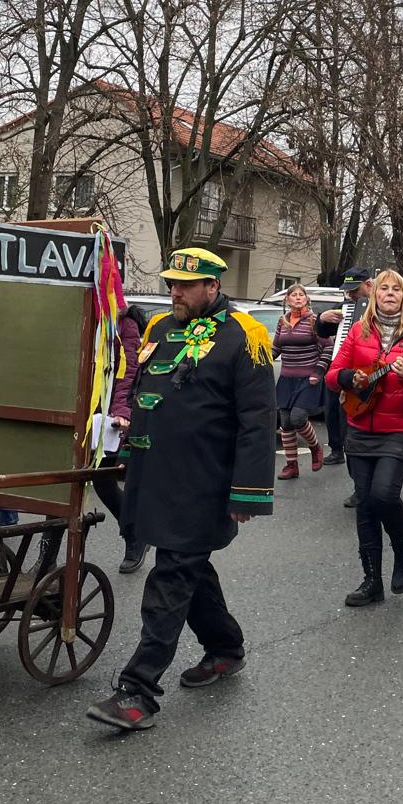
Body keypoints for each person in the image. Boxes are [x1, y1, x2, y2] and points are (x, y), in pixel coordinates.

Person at [86, 248, 275, 732]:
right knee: (188, 568)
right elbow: (149, 392)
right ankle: (226, 647)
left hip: (203, 483)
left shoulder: (245, 337)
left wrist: (247, 493)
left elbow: (256, 422)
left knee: (171, 576)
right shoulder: (159, 330)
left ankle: (137, 691)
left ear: (213, 287)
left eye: (186, 286)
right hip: (154, 475)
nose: (175, 292)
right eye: (172, 283)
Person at [327, 270, 403, 606]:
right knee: (365, 506)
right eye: (383, 288)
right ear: (374, 295)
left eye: (396, 289)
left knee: (383, 495)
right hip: (360, 425)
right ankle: (371, 580)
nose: (389, 293)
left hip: (399, 427)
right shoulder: (359, 330)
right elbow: (333, 375)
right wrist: (350, 377)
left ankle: (402, 551)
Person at [91, 301, 145, 573]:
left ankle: (134, 535)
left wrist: (121, 411)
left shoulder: (125, 324)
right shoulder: (82, 311)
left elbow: (130, 372)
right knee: (60, 484)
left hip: (108, 415)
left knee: (103, 482)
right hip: (77, 409)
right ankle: (49, 553)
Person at [271, 284, 328, 480]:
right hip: (287, 378)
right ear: (287, 299)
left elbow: (327, 348)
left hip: (308, 377)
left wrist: (318, 372)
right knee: (286, 422)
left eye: (301, 295)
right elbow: (276, 348)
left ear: (306, 299)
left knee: (297, 418)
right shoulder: (282, 322)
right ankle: (291, 465)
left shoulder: (314, 321)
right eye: (293, 295)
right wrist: (261, 359)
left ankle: (315, 448)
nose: (297, 298)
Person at [318, 267, 372, 467]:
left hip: (366, 366)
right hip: (340, 363)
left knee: (354, 408)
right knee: (332, 407)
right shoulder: (344, 307)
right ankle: (336, 448)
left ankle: (355, 448)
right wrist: (322, 319)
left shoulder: (379, 307)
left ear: (368, 285)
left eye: (354, 290)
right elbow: (323, 333)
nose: (350, 295)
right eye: (347, 291)